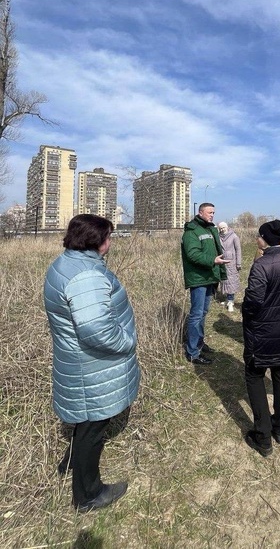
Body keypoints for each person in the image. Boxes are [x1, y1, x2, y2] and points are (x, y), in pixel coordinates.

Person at [43, 214, 140, 513]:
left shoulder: (67, 263)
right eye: (109, 236)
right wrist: (127, 341)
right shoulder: (87, 276)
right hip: (92, 368)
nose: (111, 241)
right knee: (92, 426)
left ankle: (71, 463)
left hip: (79, 362)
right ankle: (88, 495)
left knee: (85, 424)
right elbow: (97, 330)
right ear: (97, 241)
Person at [242, 220, 280, 457]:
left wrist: (245, 314)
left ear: (265, 239)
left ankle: (263, 436)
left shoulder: (261, 265)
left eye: (259, 235)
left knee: (254, 376)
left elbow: (253, 302)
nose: (257, 238)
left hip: (263, 332)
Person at [181, 203, 229, 365]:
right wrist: (213, 260)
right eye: (209, 212)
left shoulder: (210, 229)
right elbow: (193, 254)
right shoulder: (192, 232)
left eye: (214, 212)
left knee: (203, 312)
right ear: (200, 212)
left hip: (209, 276)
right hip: (198, 278)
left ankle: (199, 344)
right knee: (196, 314)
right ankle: (193, 352)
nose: (212, 215)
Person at [217, 221, 242, 312]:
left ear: (227, 227)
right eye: (220, 228)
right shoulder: (218, 237)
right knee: (224, 281)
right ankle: (227, 298)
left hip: (232, 262)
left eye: (223, 227)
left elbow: (238, 250)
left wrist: (238, 263)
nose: (222, 229)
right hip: (222, 262)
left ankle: (231, 302)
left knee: (231, 282)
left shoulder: (234, 236)